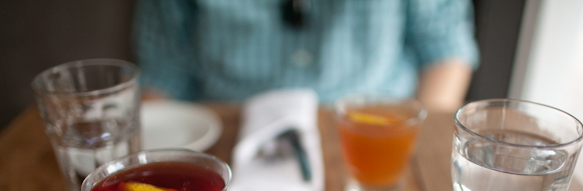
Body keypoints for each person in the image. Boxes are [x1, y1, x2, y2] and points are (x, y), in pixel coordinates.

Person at [133, 0, 479, 112]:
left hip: (373, 130)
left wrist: (413, 151)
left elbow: (445, 49)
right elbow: (163, 72)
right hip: (228, 132)